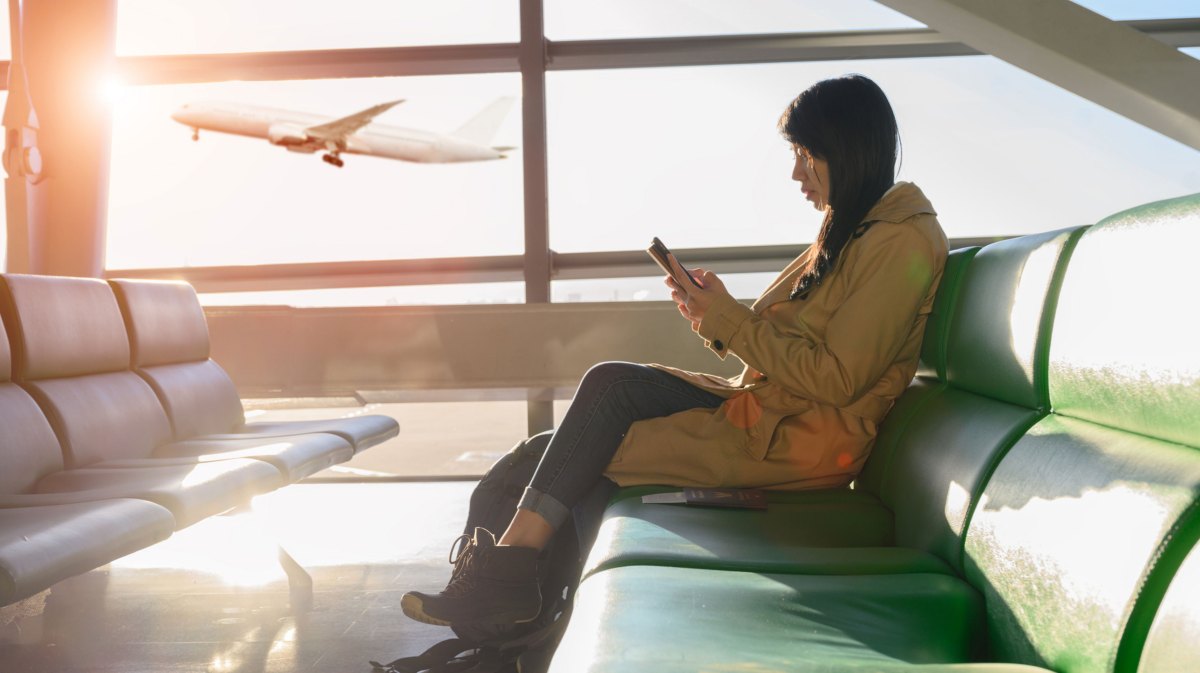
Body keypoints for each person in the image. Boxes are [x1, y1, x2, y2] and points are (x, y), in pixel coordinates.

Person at [401, 73, 948, 628]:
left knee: (572, 456)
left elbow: (837, 378)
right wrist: (713, 317)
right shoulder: (851, 230)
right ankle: (495, 597)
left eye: (808, 155)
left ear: (848, 148)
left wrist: (729, 320)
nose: (795, 172)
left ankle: (503, 599)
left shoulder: (898, 239)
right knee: (578, 415)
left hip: (794, 442)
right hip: (768, 415)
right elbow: (790, 350)